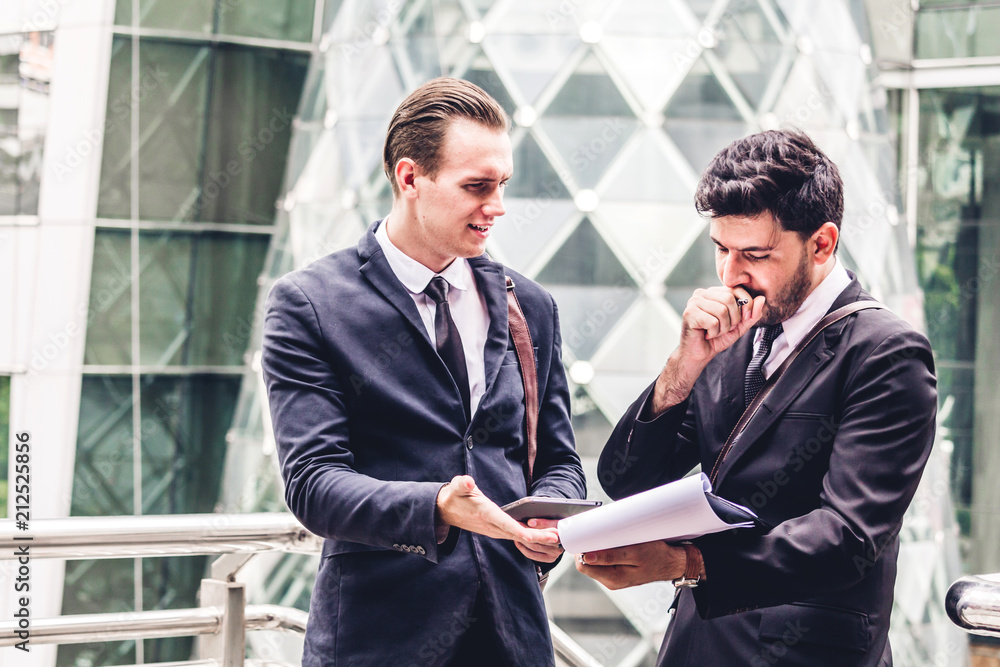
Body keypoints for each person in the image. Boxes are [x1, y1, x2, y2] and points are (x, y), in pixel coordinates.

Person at [576, 129, 936, 666]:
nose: (730, 275)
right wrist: (683, 367)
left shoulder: (887, 353)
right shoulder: (730, 334)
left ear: (822, 243)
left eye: (755, 254)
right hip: (698, 647)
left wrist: (688, 562)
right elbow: (628, 479)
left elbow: (848, 537)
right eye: (721, 249)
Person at [261, 77, 585, 666]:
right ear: (410, 179)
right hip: (378, 643)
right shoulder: (309, 304)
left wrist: (550, 514)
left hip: (513, 640)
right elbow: (313, 483)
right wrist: (436, 505)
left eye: (502, 185)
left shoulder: (528, 305)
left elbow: (558, 461)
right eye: (477, 187)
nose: (498, 207)